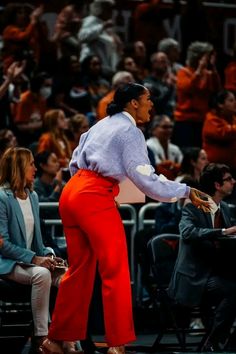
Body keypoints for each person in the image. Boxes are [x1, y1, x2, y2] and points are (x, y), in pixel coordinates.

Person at [41, 83, 210, 354]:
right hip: (94, 195)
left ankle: (56, 339)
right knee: (115, 270)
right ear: (133, 103)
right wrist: (186, 191)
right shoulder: (131, 131)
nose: (151, 104)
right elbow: (146, 179)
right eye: (147, 99)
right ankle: (117, 345)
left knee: (79, 270)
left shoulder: (101, 124)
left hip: (73, 193)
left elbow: (74, 161)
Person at [0, 147, 79, 354]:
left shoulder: (32, 196)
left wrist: (50, 255)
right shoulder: (2, 197)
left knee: (68, 276)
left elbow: (38, 243)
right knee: (42, 274)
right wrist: (35, 259)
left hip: (30, 261)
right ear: (18, 167)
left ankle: (65, 337)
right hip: (7, 263)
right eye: (31, 164)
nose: (35, 168)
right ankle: (41, 337)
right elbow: (3, 244)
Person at [168, 163, 236, 352]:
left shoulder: (226, 208)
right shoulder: (193, 207)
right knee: (232, 290)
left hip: (215, 271)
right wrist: (223, 231)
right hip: (195, 277)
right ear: (217, 185)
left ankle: (229, 340)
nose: (234, 182)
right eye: (229, 179)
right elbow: (188, 232)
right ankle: (213, 342)